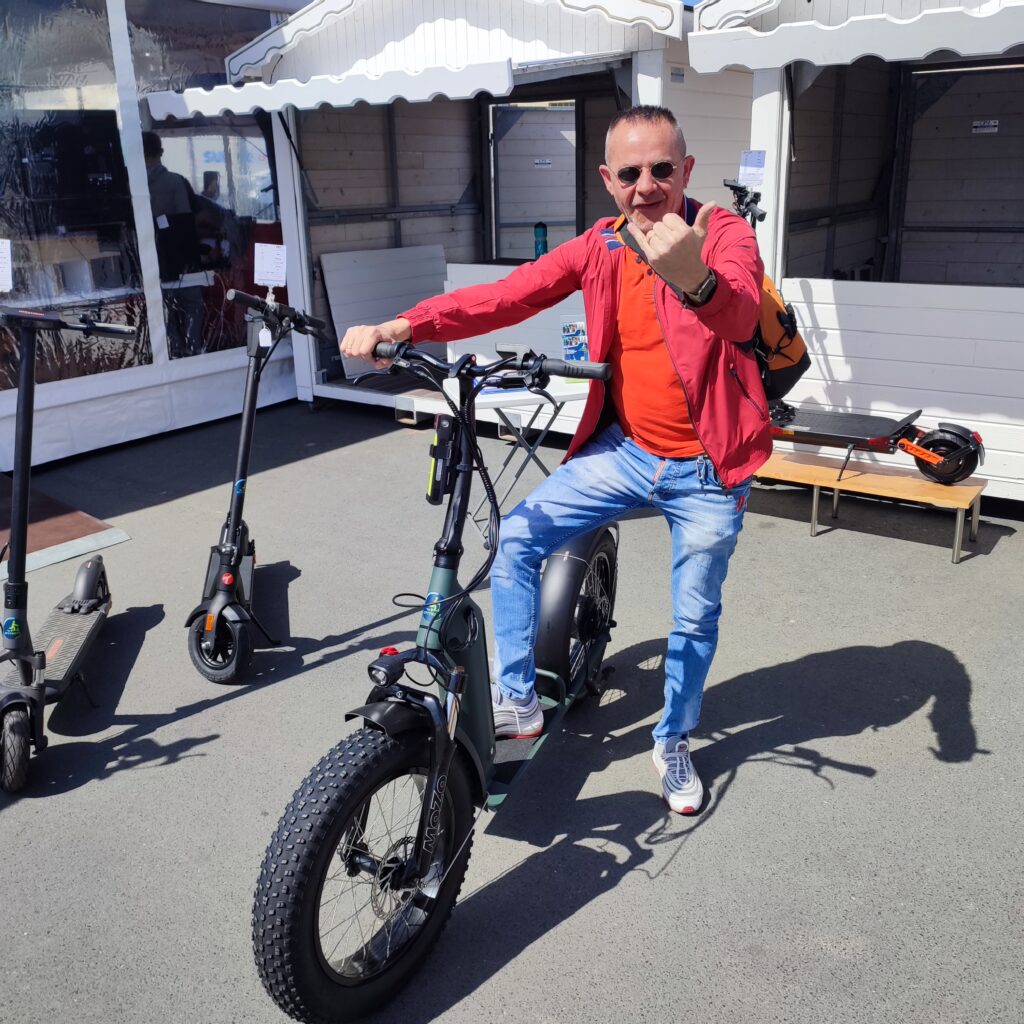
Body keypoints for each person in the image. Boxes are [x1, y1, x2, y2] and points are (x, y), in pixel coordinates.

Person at [340, 106, 770, 815]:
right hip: (628, 451)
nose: (647, 187)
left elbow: (743, 315)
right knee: (516, 538)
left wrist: (696, 279)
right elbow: (507, 296)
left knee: (693, 619)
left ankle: (673, 739)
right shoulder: (601, 247)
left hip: (705, 469)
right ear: (608, 180)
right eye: (630, 173)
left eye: (662, 169)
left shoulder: (721, 233)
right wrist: (405, 323)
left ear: (685, 171)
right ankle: (520, 702)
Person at [142, 130, 203, 357]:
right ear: (161, 152)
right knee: (191, 306)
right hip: (181, 257)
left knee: (164, 308)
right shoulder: (175, 182)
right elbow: (186, 222)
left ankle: (174, 350)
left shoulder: (133, 186)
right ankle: (193, 349)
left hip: (151, 259)